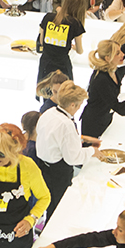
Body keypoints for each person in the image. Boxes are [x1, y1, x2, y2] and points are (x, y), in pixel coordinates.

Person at [35, 81, 101, 212]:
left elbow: (54, 138)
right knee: (58, 208)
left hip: (42, 166)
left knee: (48, 202)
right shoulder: (66, 124)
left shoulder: (49, 112)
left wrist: (80, 140)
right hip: (57, 172)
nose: (79, 108)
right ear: (72, 104)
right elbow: (73, 158)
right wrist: (92, 151)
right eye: (79, 105)